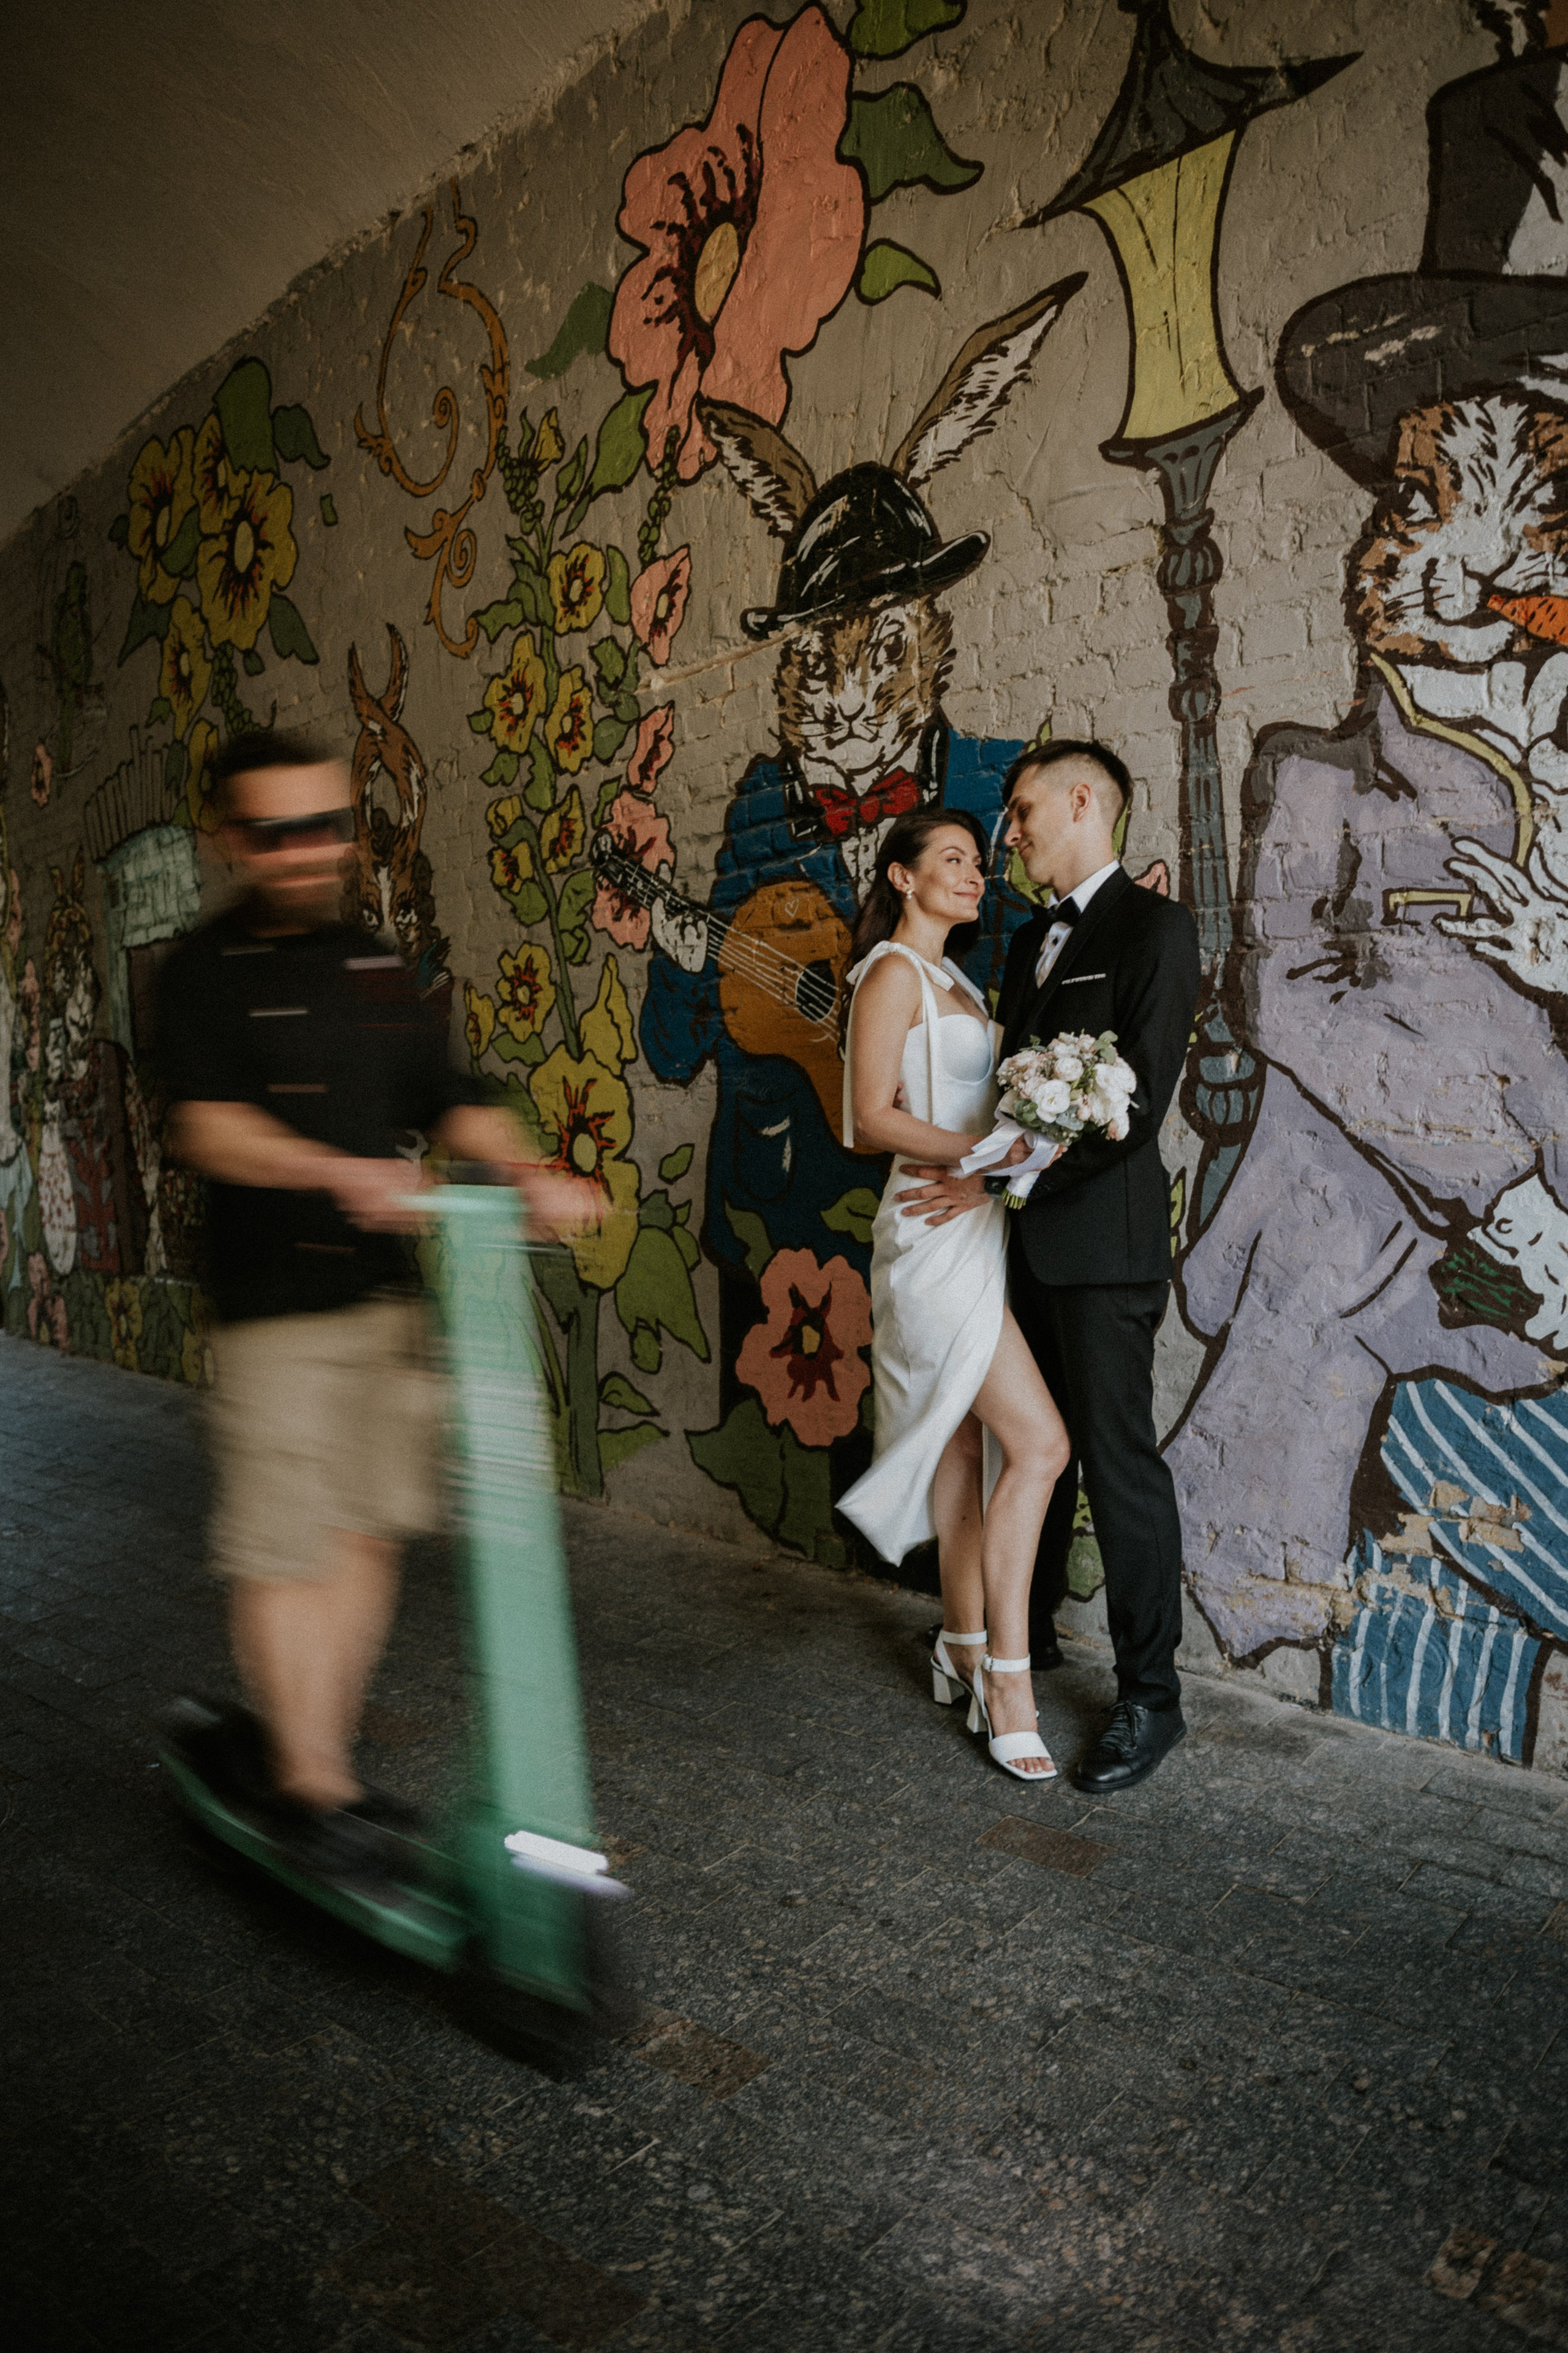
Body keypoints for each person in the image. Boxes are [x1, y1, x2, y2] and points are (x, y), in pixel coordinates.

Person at [157, 731, 586, 1876]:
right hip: (273, 1313)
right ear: (228, 840)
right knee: (286, 1545)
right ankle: (309, 1786)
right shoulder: (199, 972)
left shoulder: (375, 964)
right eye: (274, 832)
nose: (304, 852)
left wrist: (530, 1172)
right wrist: (337, 1171)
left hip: (382, 1304)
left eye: (324, 828)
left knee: (364, 1534)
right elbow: (204, 1125)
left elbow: (446, 1098)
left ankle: (320, 1765)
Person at [898, 743, 1200, 1792]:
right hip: (1007, 1248)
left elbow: (1139, 1102)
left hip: (1100, 1249)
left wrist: (999, 1184)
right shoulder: (1026, 936)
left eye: (1022, 811)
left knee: (1116, 1464)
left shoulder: (1157, 927)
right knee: (1029, 1454)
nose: (1009, 832)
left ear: (1084, 801)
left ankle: (1152, 1698)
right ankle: (1017, 1648)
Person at [838, 809, 1070, 1781]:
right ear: (900, 876)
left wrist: (1021, 1140)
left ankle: (962, 1646)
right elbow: (869, 1116)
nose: (975, 874)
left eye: (979, 861)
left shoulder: (956, 979)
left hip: (978, 1225)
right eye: (951, 860)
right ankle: (1009, 1681)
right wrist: (993, 1153)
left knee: (968, 1447)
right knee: (1043, 1444)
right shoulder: (893, 974)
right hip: (933, 1232)